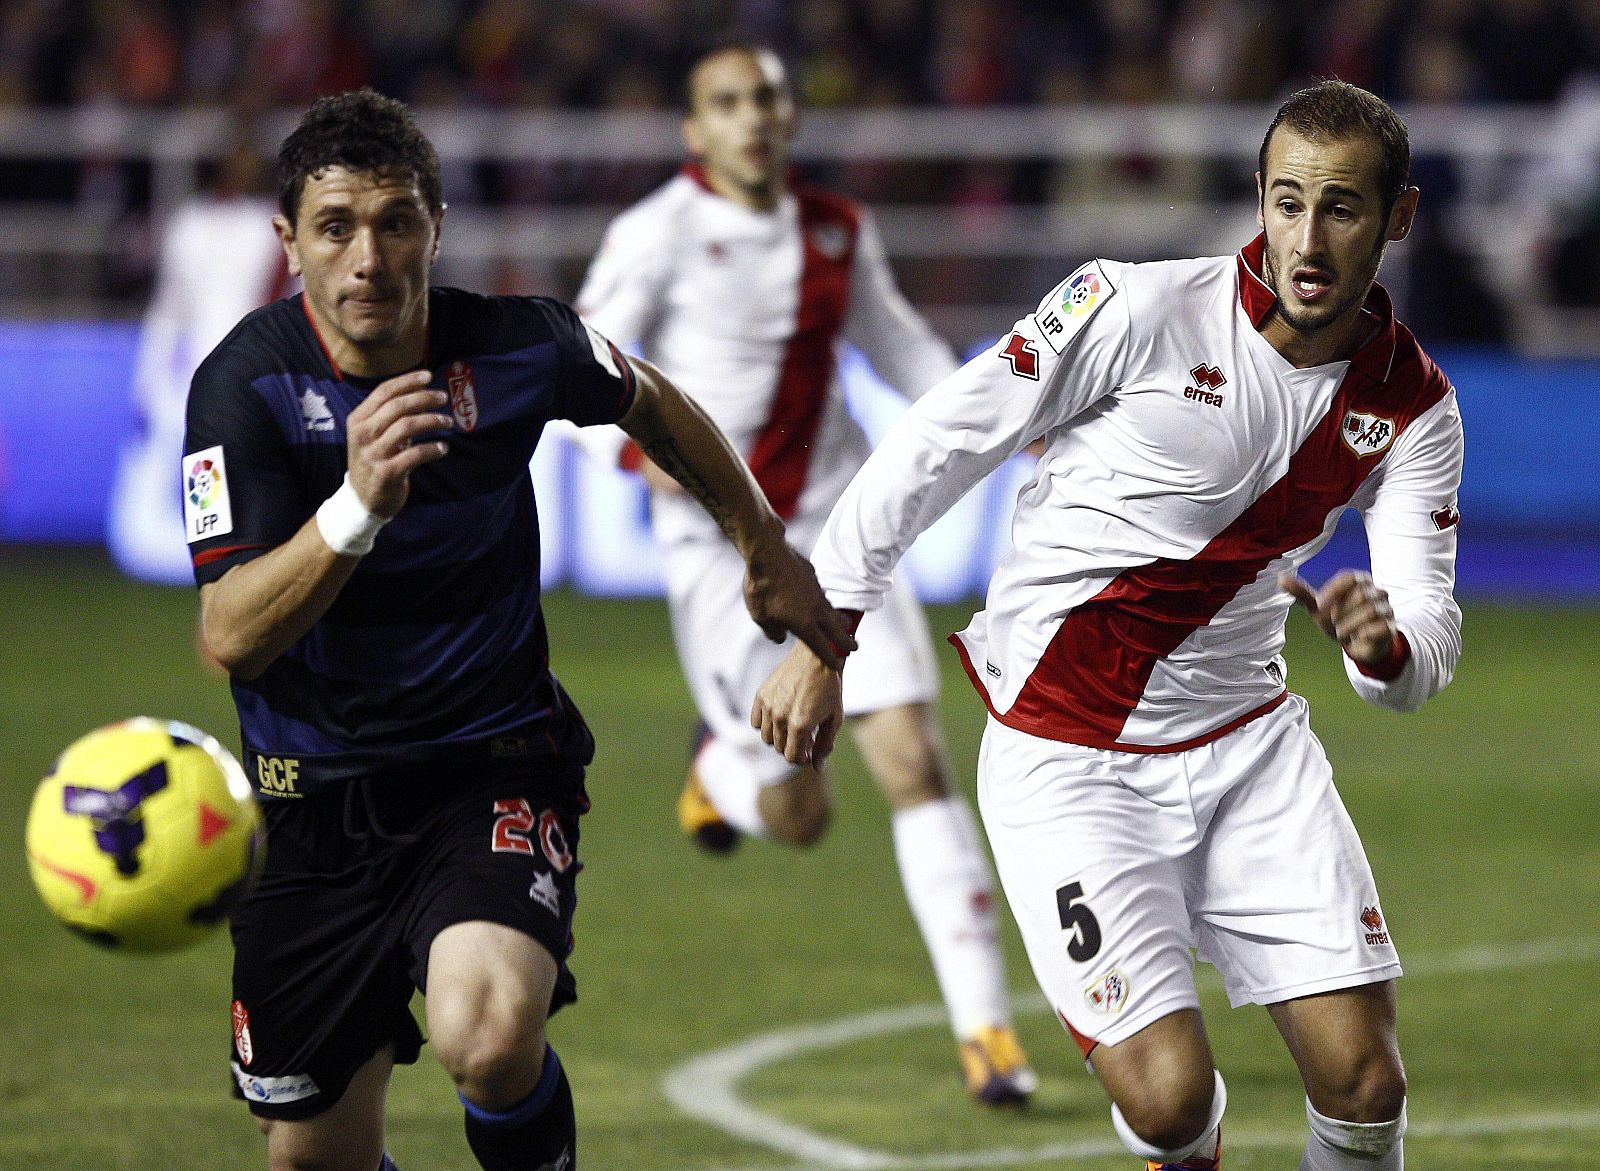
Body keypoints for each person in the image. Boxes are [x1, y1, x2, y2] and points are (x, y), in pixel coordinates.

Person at [755, 80, 1464, 1171]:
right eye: (1285, 202)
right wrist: (825, 632)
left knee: (1365, 1082)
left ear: (1398, 216)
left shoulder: (1412, 406)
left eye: (1342, 208)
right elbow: (943, 437)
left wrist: (1385, 650)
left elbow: (1423, 640)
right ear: (1258, 201)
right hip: (1065, 756)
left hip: (1247, 746)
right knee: (1171, 1099)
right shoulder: (1132, 308)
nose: (1307, 238)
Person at [183, 88, 852, 1171]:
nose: (369, 258)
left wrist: (763, 548)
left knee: (488, 1037)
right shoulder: (242, 391)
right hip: (312, 804)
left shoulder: (514, 346)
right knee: (310, 1157)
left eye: (397, 220)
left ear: (437, 226)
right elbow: (230, 633)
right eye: (336, 226)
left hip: (490, 764)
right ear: (288, 240)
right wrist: (354, 509)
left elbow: (649, 400)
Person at [573, 40, 1035, 1105]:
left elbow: (906, 350)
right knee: (801, 808)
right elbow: (580, 377)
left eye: (769, 101)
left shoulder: (837, 228)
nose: (753, 119)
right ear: (694, 130)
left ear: (789, 120)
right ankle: (725, 777)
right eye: (729, 103)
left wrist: (1022, 415)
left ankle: (987, 1037)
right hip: (719, 548)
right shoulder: (655, 234)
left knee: (914, 757)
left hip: (839, 523)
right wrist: (663, 472)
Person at [109, 128, 295, 586]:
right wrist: (151, 380)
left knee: (227, 477)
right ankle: (211, 563)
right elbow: (171, 308)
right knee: (206, 475)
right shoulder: (195, 223)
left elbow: (285, 302)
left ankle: (225, 563)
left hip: (246, 372)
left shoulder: (268, 227)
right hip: (203, 374)